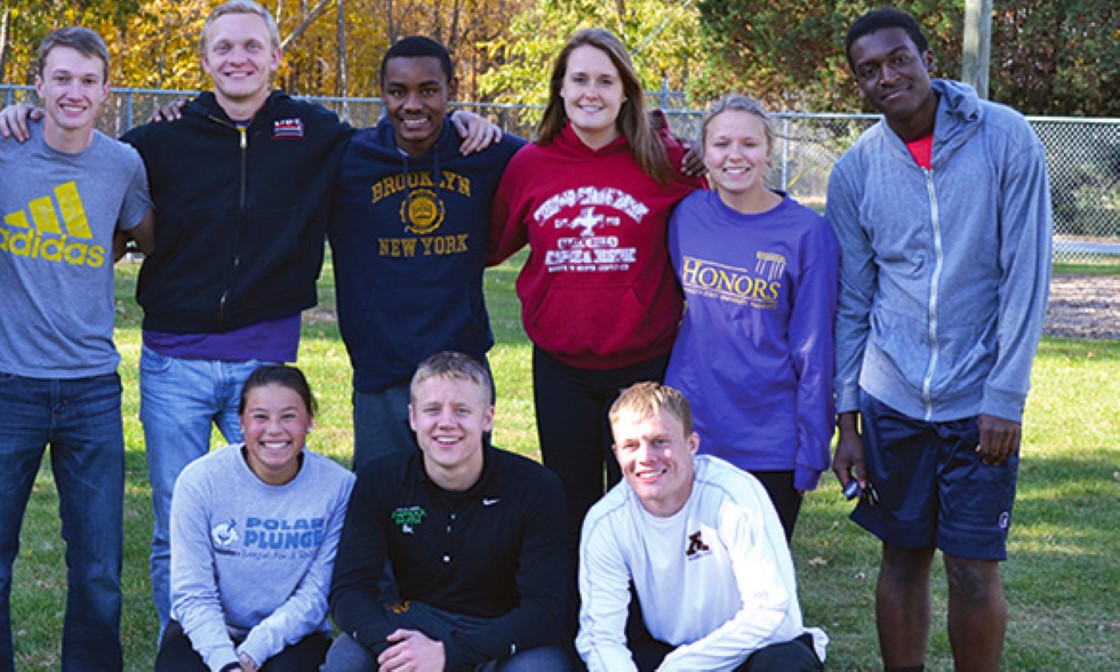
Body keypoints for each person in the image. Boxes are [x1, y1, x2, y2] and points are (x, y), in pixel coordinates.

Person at [0, 2, 499, 638]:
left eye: (252, 47)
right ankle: (190, 644)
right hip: (174, 361)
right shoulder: (159, 138)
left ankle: (265, 642)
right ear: (203, 62)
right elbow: (84, 150)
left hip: (266, 365)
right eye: (224, 48)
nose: (238, 59)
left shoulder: (317, 133)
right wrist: (25, 112)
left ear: (275, 58)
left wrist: (464, 122)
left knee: (271, 522)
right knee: (179, 517)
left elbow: (404, 130)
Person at [827, 8, 1053, 671]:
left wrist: (1005, 395)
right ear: (859, 86)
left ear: (929, 58)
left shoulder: (1006, 138)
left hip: (979, 399)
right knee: (900, 558)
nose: (886, 76)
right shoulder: (856, 170)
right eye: (868, 71)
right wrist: (848, 419)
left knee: (973, 570)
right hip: (891, 397)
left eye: (898, 59)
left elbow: (1026, 276)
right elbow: (853, 302)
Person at [0, 26, 154, 670]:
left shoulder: (121, 164)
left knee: (97, 569)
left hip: (93, 387)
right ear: (36, 85)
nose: (74, 92)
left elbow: (140, 234)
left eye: (88, 81)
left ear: (106, 91)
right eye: (61, 78)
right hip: (6, 385)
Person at [488, 28, 706, 528]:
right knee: (572, 501)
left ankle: (643, 605)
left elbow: (728, 214)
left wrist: (706, 158)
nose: (592, 92)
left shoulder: (665, 162)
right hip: (561, 367)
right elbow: (489, 245)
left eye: (606, 81)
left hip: (645, 363)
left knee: (647, 498)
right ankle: (580, 604)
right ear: (560, 89)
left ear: (626, 91)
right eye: (579, 79)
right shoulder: (530, 165)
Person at [329, 35, 525, 471]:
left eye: (428, 90)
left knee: (466, 499)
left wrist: (664, 141)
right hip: (382, 368)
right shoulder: (348, 159)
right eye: (398, 92)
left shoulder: (484, 151)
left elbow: (561, 161)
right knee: (384, 501)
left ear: (451, 91)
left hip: (461, 368)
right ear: (382, 93)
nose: (412, 105)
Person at [326, 351, 576, 671]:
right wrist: (397, 651)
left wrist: (450, 654)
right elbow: (348, 591)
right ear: (413, 417)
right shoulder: (380, 480)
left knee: (540, 669)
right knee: (347, 656)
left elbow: (545, 610)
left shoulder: (535, 487)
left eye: (462, 410)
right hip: (414, 622)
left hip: (501, 631)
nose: (446, 423)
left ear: (487, 418)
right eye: (432, 410)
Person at [662, 95, 839, 541]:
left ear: (768, 152)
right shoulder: (686, 216)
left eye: (749, 144)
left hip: (769, 437)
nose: (735, 155)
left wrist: (812, 447)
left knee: (759, 584)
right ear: (703, 153)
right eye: (721, 144)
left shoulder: (807, 233)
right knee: (694, 572)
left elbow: (815, 348)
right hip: (692, 426)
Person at [576, 382, 827, 671]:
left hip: (748, 648)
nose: (645, 457)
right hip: (667, 650)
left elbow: (774, 614)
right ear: (616, 453)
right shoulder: (605, 522)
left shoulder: (734, 496)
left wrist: (682, 666)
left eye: (660, 441)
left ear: (691, 444)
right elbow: (601, 636)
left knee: (785, 663)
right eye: (630, 445)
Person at [158, 365, 355, 672]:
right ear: (241, 423)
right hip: (207, 628)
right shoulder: (200, 481)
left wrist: (251, 654)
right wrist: (226, 663)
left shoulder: (338, 487)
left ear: (309, 421)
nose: (274, 429)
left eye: (289, 416)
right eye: (260, 417)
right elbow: (192, 594)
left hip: (293, 634)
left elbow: (315, 595)